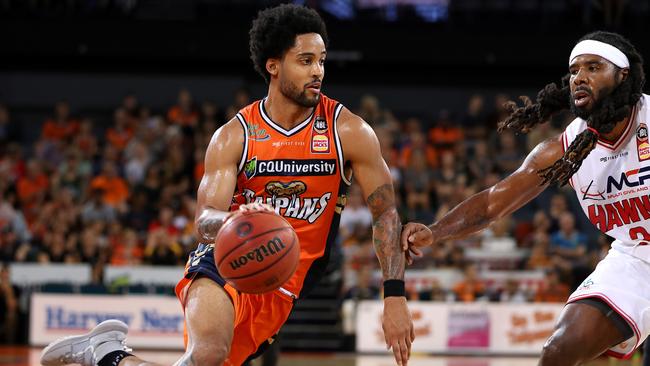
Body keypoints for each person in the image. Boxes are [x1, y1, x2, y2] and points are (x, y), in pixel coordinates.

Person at [40, 4, 413, 366]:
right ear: (273, 65)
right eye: (305, 61)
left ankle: (106, 354)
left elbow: (386, 214)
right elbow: (203, 221)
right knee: (206, 355)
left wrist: (394, 295)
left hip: (282, 280)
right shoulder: (234, 135)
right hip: (226, 259)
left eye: (321, 60)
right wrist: (235, 221)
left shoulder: (347, 130)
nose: (318, 71)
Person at [402, 31, 648, 365]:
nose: (580, 77)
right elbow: (492, 204)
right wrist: (436, 231)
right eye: (574, 70)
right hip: (635, 258)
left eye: (593, 67)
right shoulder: (565, 148)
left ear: (623, 75)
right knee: (558, 351)